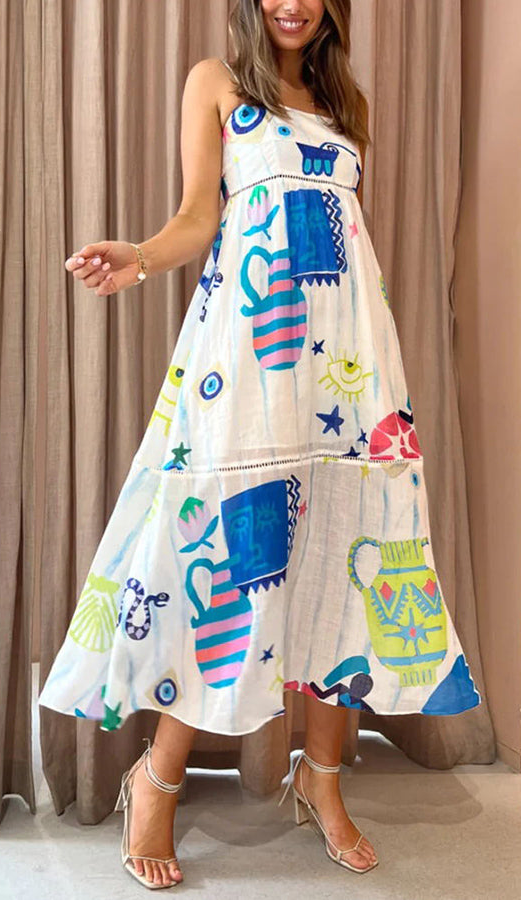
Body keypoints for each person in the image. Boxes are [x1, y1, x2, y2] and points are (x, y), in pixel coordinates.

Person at [39, 0, 482, 890]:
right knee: (231, 549)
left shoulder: (346, 102)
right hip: (246, 354)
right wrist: (139, 256)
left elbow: (348, 242)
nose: (292, 3)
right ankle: (157, 777)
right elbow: (198, 218)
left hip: (351, 361)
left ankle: (322, 780)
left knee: (345, 550)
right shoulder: (216, 83)